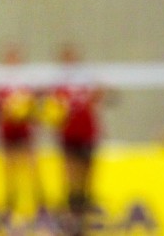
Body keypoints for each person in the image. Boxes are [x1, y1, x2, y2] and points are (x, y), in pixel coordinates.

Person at [45, 42, 111, 236]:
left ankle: (84, 217)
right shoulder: (57, 83)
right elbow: (51, 109)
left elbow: (102, 97)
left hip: (87, 133)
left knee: (87, 175)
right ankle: (72, 219)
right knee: (71, 175)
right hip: (68, 135)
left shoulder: (87, 80)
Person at [0, 42, 44, 220]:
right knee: (9, 169)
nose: (12, 62)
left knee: (31, 167)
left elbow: (39, 105)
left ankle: (39, 205)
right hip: (6, 131)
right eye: (9, 58)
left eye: (15, 58)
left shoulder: (29, 81)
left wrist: (27, 111)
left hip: (25, 131)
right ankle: (10, 205)